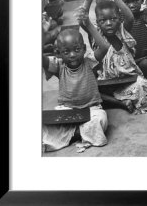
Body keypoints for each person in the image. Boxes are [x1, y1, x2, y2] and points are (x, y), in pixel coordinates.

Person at [78, 0, 147, 114]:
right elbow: (84, 21)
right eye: (103, 20)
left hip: (127, 78)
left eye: (113, 19)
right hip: (106, 81)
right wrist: (88, 0)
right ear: (97, 23)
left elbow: (130, 18)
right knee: (88, 91)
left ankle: (117, 100)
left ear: (119, 19)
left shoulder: (122, 31)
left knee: (141, 86)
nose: (109, 23)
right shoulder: (96, 35)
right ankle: (120, 103)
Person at [42, 24, 109, 153]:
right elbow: (43, 60)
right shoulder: (59, 67)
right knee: (43, 123)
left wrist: (88, 24)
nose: (72, 55)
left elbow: (105, 47)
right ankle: (81, 133)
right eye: (66, 52)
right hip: (67, 110)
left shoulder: (89, 62)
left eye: (77, 49)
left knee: (100, 120)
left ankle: (71, 134)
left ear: (84, 49)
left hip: (91, 108)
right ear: (59, 53)